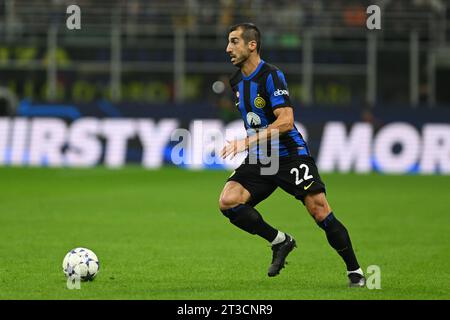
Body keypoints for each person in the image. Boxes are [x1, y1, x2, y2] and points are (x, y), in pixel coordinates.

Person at [219, 23, 365, 287]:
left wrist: (248, 141)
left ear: (252, 45)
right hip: (263, 157)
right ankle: (280, 241)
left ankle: (355, 271)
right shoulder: (236, 81)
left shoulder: (272, 76)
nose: (228, 48)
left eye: (234, 42)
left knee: (319, 211)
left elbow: (285, 121)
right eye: (229, 43)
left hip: (289, 155)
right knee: (229, 201)